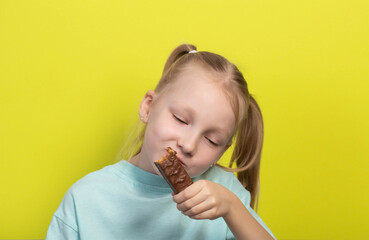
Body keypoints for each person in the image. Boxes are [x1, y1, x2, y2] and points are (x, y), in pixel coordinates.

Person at [46, 44, 276, 240]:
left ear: (222, 151)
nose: (188, 145)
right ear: (148, 107)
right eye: (180, 119)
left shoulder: (225, 196)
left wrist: (232, 209)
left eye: (211, 140)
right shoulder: (86, 199)